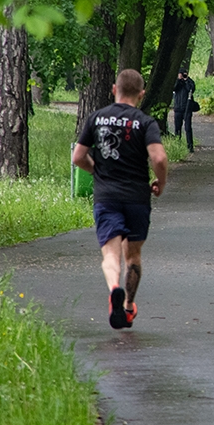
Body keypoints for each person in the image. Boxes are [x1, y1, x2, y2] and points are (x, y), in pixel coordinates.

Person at [72, 69, 169, 330]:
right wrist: (161, 181)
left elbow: (78, 156)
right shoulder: (145, 122)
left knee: (110, 255)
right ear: (141, 94)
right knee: (133, 256)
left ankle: (113, 287)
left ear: (114, 89)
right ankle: (127, 307)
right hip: (138, 198)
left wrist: (98, 171)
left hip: (107, 197)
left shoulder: (97, 118)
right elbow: (158, 158)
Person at [173, 67, 196, 153]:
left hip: (187, 108)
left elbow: (191, 89)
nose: (183, 75)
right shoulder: (176, 81)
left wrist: (186, 80)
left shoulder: (190, 81)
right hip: (178, 108)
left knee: (188, 128)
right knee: (177, 128)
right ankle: (177, 145)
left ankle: (190, 146)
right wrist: (179, 80)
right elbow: (174, 88)